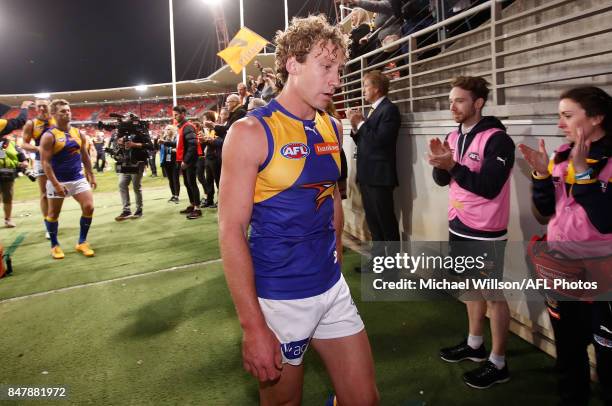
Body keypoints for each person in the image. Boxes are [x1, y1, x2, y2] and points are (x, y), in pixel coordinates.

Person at [218, 14, 378, 406]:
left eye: (339, 69)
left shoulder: (332, 126)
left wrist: (336, 259)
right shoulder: (250, 133)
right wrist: (253, 325)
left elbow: (333, 197)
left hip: (330, 288)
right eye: (326, 67)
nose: (336, 80)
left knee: (365, 400)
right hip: (279, 299)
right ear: (292, 64)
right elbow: (230, 231)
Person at [519, 86, 612, 406]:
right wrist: (542, 176)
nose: (560, 124)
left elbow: (605, 220)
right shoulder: (561, 156)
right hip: (563, 272)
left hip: (604, 280)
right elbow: (545, 213)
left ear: (597, 118)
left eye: (568, 116)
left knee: (609, 363)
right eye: (559, 115)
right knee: (569, 356)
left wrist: (585, 174)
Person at [427, 76, 514, 389]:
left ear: (478, 103)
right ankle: (475, 344)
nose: (453, 106)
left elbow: (489, 187)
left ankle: (499, 362)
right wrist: (440, 164)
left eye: (459, 100)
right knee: (469, 288)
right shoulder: (453, 134)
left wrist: (452, 167)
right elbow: (443, 180)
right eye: (451, 100)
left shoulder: (497, 139)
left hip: (486, 231)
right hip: (458, 224)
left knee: (492, 294)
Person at [347, 70, 401, 266]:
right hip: (369, 176)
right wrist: (356, 127)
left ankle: (393, 266)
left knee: (386, 224)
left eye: (366, 86)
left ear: (377, 88)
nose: (363, 90)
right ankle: (378, 261)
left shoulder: (389, 110)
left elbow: (380, 141)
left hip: (380, 177)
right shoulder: (374, 110)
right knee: (374, 224)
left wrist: (360, 123)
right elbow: (365, 140)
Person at [39, 99, 97, 259]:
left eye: (68, 110)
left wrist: (90, 174)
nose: (67, 113)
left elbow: (84, 155)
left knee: (89, 206)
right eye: (63, 111)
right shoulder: (49, 136)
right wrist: (56, 184)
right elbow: (45, 163)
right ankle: (55, 245)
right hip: (57, 180)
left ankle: (82, 242)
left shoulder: (78, 133)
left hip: (77, 178)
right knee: (53, 214)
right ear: (53, 114)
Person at [18, 99, 53, 236]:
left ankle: (54, 219)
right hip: (41, 160)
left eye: (45, 106)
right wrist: (38, 148)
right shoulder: (31, 123)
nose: (42, 109)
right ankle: (49, 226)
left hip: (59, 161)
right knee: (44, 193)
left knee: (61, 191)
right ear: (36, 108)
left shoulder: (57, 119)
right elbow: (24, 144)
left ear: (50, 105)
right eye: (39, 106)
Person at [113, 115, 153, 221]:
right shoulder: (123, 132)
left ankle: (139, 210)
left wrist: (134, 144)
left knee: (136, 186)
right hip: (125, 161)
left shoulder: (141, 130)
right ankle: (126, 210)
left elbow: (150, 145)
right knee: (122, 184)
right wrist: (119, 143)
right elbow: (117, 144)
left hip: (138, 161)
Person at [173, 105, 202, 219]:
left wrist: (186, 160)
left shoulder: (187, 126)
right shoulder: (182, 127)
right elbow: (183, 144)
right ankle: (193, 204)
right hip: (185, 160)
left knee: (192, 183)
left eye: (177, 114)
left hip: (189, 161)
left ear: (183, 114)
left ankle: (197, 208)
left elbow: (193, 145)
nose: (175, 117)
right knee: (188, 183)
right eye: (174, 114)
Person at [0, 132, 29, 227]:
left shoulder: (10, 143)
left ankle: (8, 220)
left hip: (7, 174)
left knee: (8, 197)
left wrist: (24, 161)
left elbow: (20, 153)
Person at [160, 124, 181, 203]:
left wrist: (173, 150)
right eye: (166, 129)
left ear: (172, 130)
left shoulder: (176, 138)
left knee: (175, 178)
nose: (167, 131)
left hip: (175, 160)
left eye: (169, 129)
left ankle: (177, 195)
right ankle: (173, 195)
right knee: (170, 179)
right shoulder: (164, 138)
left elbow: (177, 146)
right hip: (166, 161)